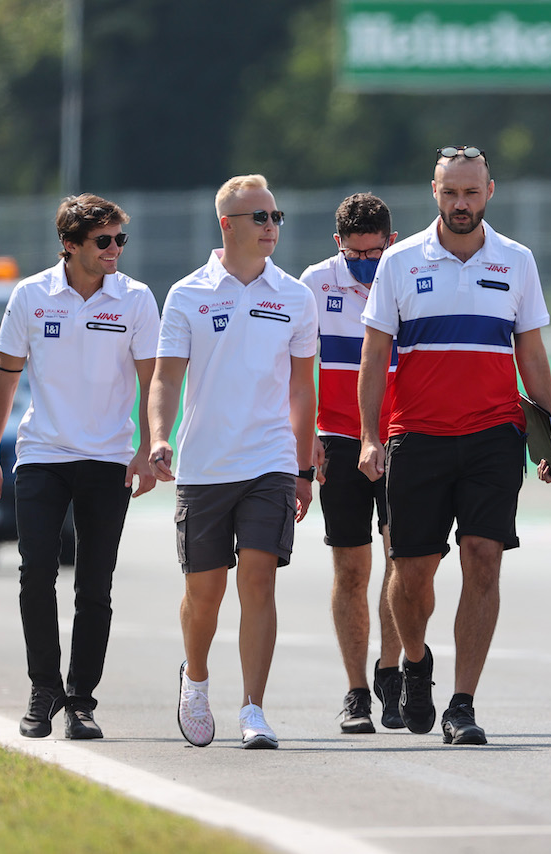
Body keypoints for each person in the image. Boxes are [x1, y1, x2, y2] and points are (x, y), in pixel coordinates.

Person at [358, 145, 551, 746]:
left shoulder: (516, 261)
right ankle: (416, 663)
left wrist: (550, 437)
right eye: (451, 193)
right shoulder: (398, 262)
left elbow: (531, 351)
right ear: (434, 191)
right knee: (411, 570)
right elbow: (374, 357)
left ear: (490, 192)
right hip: (417, 436)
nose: (461, 204)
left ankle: (462, 704)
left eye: (471, 193)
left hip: (493, 436)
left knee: (484, 557)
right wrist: (370, 436)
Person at [0, 194, 160, 739]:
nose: (114, 250)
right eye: (104, 241)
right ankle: (43, 689)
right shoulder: (30, 295)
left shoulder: (136, 299)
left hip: (107, 458)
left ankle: (81, 700)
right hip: (42, 455)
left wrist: (150, 446)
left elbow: (153, 381)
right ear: (70, 245)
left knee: (95, 585)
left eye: (120, 239)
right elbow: (5, 380)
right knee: (35, 576)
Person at [149, 174, 318, 749]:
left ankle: (253, 709)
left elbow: (301, 389)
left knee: (259, 580)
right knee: (205, 593)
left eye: (276, 217)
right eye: (260, 218)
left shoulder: (295, 294)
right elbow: (166, 379)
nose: (272, 227)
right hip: (204, 466)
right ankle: (195, 680)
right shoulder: (187, 294)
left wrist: (302, 465)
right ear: (228, 224)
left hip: (269, 460)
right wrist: (158, 436)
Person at [298, 192, 404, 733]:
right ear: (338, 244)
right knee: (351, 567)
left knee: (402, 562)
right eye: (355, 254)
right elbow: (294, 368)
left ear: (391, 241)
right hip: (337, 440)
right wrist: (306, 438)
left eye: (375, 253)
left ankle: (391, 674)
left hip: (403, 437)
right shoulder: (314, 283)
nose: (366, 265)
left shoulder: (405, 273)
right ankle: (356, 689)